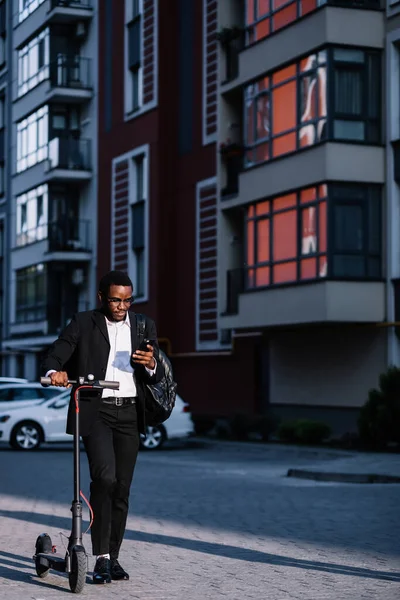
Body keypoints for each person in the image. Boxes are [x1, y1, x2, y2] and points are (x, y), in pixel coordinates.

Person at [41, 270, 164, 584]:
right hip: (97, 411)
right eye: (114, 299)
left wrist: (150, 363)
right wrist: (54, 369)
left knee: (122, 488)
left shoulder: (142, 325)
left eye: (127, 300)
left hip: (131, 412)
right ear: (101, 298)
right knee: (104, 477)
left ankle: (114, 556)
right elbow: (59, 350)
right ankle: (101, 557)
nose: (121, 306)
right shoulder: (84, 322)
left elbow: (155, 374)